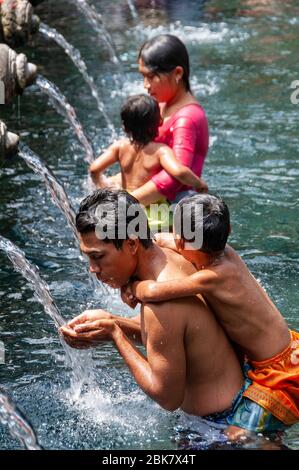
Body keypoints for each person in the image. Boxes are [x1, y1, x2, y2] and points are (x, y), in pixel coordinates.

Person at [60, 189, 245, 426]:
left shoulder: (161, 305)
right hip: (240, 405)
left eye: (98, 257)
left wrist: (115, 335)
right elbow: (174, 336)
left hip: (219, 431)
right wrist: (111, 322)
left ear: (131, 244)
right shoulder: (180, 253)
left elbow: (168, 398)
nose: (92, 268)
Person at [122, 193, 299, 435]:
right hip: (286, 353)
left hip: (280, 376)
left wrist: (131, 287)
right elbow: (164, 240)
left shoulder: (212, 277)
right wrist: (158, 240)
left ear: (184, 242)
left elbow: (153, 290)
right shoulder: (227, 253)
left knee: (236, 436)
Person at [109, 34, 209, 206]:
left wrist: (127, 201)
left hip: (176, 205)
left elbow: (174, 177)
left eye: (151, 77)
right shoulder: (162, 105)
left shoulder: (187, 118)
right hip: (152, 199)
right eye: (143, 76)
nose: (145, 85)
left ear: (177, 73)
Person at [89, 94, 208, 195]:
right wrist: (199, 183)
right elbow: (179, 172)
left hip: (126, 203)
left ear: (125, 128)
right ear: (160, 122)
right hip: (151, 212)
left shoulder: (119, 147)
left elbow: (94, 169)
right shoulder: (161, 151)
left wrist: (103, 189)